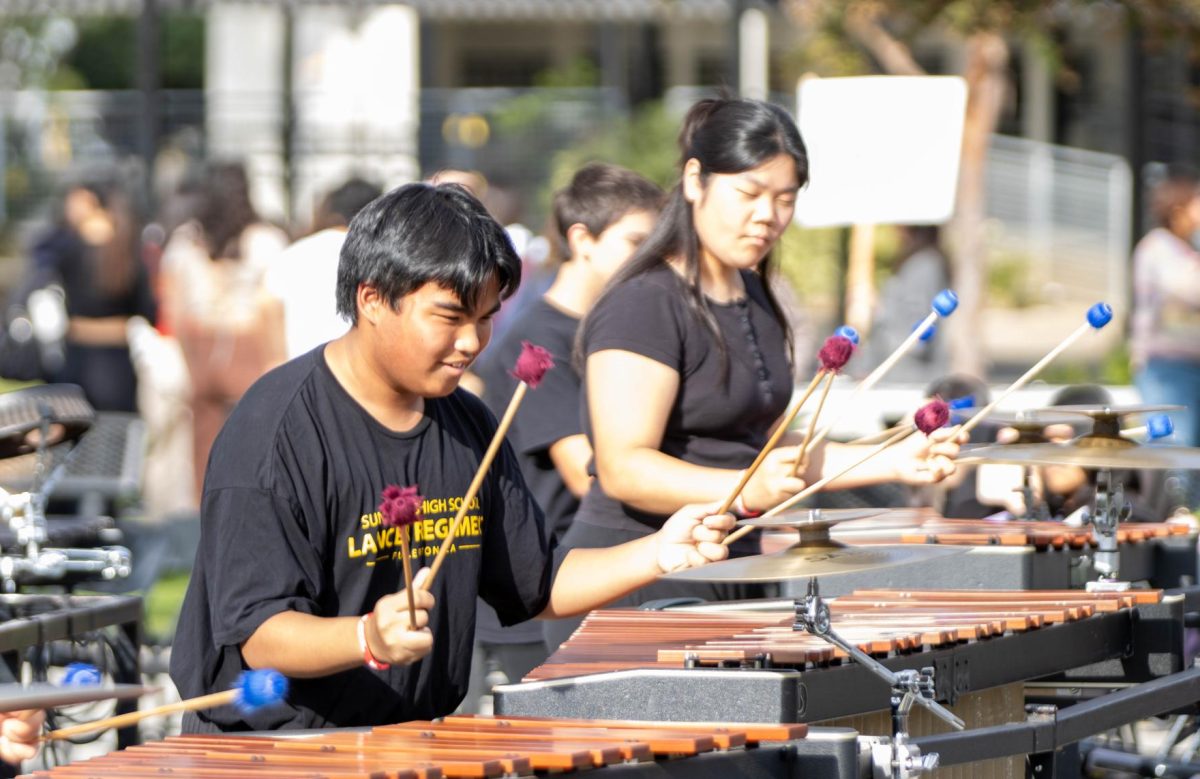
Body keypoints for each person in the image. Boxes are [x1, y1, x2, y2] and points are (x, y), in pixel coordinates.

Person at [168, 182, 734, 733]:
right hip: (278, 747)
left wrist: (660, 551)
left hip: (411, 736)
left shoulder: (469, 425)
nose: (471, 342)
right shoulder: (274, 431)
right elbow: (259, 632)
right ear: (372, 299)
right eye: (450, 316)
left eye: (485, 318)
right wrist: (366, 637)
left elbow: (538, 586)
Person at [548, 97, 962, 648]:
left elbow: (767, 457)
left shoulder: (755, 296)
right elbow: (624, 468)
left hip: (726, 570)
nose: (767, 216)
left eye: (784, 200)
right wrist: (745, 492)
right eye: (748, 194)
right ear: (695, 180)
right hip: (636, 584)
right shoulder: (644, 303)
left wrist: (890, 459)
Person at [464, 164, 664, 708]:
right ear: (581, 239)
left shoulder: (616, 330)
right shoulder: (539, 340)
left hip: (593, 578)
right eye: (635, 242)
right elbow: (587, 473)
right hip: (541, 590)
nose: (652, 259)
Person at [160, 162, 290, 502]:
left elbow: (174, 308)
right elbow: (272, 305)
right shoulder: (266, 240)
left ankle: (204, 518)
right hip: (250, 346)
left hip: (201, 348)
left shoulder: (186, 241)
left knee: (203, 445)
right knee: (253, 442)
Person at [21, 176, 157, 411]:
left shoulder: (64, 249)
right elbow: (148, 312)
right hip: (121, 367)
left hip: (77, 363)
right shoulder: (130, 249)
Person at [1131, 166, 1200, 507]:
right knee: (1172, 445)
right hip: (1165, 368)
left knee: (1191, 451)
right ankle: (1169, 516)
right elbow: (1187, 290)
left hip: (1192, 366)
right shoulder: (1157, 248)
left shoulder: (1188, 251)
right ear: (1177, 209)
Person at [265, 178, 382, 359]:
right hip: (356, 374)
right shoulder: (378, 259)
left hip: (298, 374)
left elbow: (270, 324)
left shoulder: (290, 256)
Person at [862, 224, 952, 384]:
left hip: (909, 367)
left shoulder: (926, 264)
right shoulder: (918, 261)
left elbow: (920, 318)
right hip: (897, 361)